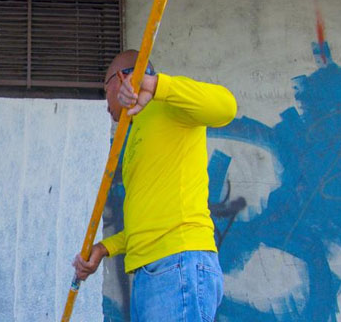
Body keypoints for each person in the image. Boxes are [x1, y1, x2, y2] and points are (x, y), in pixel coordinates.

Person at [73, 49, 237, 321]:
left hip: (176, 263)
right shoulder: (135, 130)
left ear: (122, 78)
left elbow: (226, 106)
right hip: (154, 272)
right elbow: (147, 224)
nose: (106, 104)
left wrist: (155, 84)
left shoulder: (168, 103)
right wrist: (104, 249)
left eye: (106, 91)